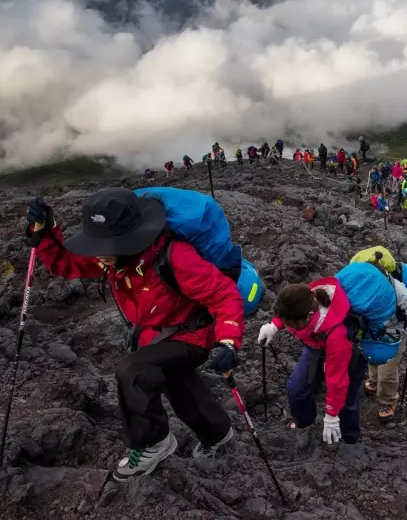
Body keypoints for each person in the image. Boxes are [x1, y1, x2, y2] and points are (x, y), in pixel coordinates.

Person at [26, 190, 244, 480]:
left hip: (192, 334)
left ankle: (153, 442)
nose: (99, 252)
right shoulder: (112, 257)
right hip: (156, 334)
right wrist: (44, 232)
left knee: (133, 370)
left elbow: (223, 294)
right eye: (97, 243)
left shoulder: (175, 256)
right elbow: (67, 263)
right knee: (174, 379)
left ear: (129, 238)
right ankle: (217, 432)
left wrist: (228, 342)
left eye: (106, 244)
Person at [258, 280, 367, 445]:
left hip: (345, 351)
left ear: (309, 315)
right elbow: (288, 310)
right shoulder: (303, 299)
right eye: (286, 322)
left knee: (345, 399)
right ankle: (304, 423)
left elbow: (337, 379)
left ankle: (348, 439)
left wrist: (331, 414)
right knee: (296, 389)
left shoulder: (336, 334)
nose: (288, 326)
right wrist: (274, 326)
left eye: (290, 324)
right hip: (316, 345)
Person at [364, 264, 407, 422]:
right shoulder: (372, 286)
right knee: (372, 358)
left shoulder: (399, 291)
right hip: (374, 329)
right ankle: (374, 381)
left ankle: (388, 401)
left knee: (387, 371)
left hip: (394, 335)